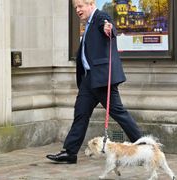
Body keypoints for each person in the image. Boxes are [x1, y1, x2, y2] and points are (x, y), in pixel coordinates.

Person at [46, 0, 142, 164]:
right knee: (80, 115)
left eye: (80, 6)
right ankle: (70, 152)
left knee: (119, 114)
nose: (77, 10)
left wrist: (108, 29)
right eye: (75, 7)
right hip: (88, 80)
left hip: (102, 79)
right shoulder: (88, 24)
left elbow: (108, 28)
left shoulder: (100, 17)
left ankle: (145, 147)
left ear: (91, 4)